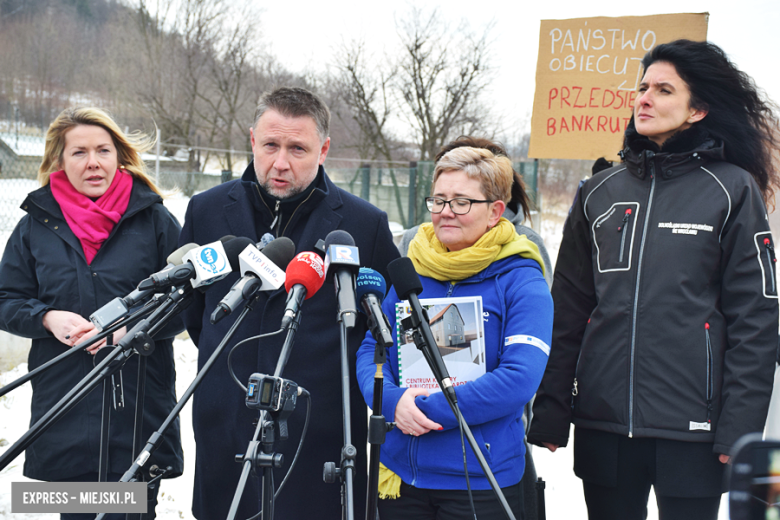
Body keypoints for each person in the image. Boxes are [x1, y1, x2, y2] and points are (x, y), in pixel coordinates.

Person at [528, 39, 780, 520]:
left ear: (698, 109)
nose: (644, 98)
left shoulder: (730, 189)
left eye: (664, 89)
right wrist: (553, 407)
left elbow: (756, 319)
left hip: (695, 429)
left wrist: (740, 425)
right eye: (642, 87)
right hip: (604, 421)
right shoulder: (599, 191)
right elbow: (568, 309)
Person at [179, 87, 400, 520]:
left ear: (324, 149)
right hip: (225, 429)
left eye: (297, 148)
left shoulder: (364, 225)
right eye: (270, 145)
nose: (281, 163)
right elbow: (196, 315)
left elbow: (380, 319)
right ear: (252, 140)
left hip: (320, 442)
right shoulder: (205, 211)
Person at [0, 107, 184, 519]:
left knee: (128, 512)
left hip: (137, 406)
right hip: (66, 405)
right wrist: (48, 318)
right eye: (79, 152)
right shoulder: (35, 226)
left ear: (119, 155)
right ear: (60, 161)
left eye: (103, 150)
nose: (93, 162)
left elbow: (188, 301)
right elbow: (5, 299)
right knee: (81, 511)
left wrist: (128, 332)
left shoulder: (153, 220)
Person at [356, 144, 553, 519]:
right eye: (439, 200)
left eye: (461, 202)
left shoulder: (521, 279)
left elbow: (519, 377)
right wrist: (391, 403)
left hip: (481, 481)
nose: (445, 212)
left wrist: (426, 410)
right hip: (402, 476)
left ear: (495, 211)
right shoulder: (410, 267)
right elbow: (372, 347)